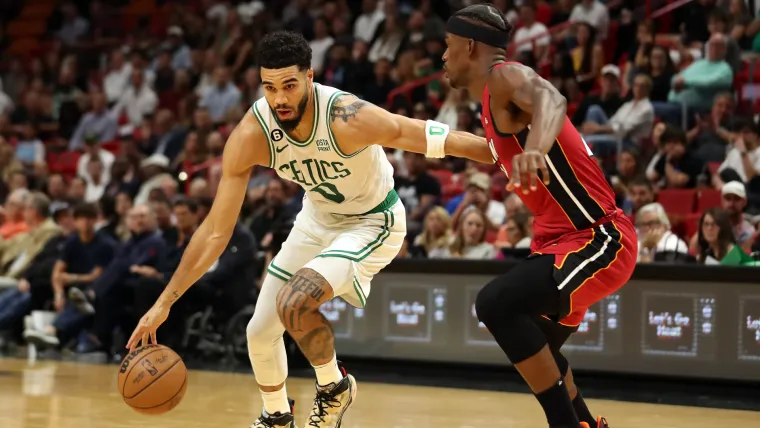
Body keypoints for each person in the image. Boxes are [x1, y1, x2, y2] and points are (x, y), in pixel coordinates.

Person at [126, 30, 492, 428]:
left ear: (310, 77)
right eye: (270, 87)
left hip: (373, 222)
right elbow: (216, 230)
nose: (279, 98)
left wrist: (506, 153)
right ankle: (276, 416)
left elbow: (429, 137)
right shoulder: (254, 131)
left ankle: (335, 388)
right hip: (316, 220)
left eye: (289, 85)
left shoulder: (346, 117)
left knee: (294, 302)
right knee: (259, 332)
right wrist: (164, 302)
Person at [442, 4, 638, 428]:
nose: (443, 56)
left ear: (470, 46)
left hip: (598, 237)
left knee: (495, 303)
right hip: (560, 243)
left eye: (448, 45)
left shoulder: (504, 76)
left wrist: (535, 149)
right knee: (541, 351)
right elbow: (479, 147)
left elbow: (552, 98)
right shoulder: (494, 109)